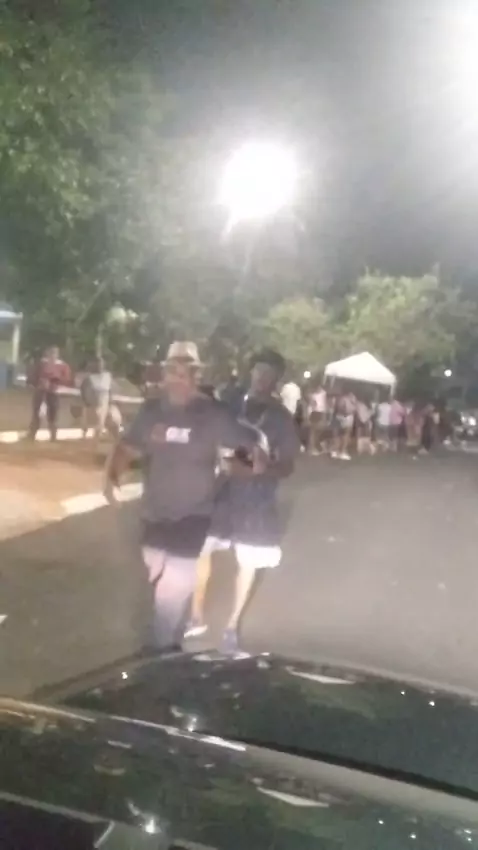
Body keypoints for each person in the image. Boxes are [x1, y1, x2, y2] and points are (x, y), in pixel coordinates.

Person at [103, 341, 263, 650]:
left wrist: (245, 466)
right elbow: (129, 447)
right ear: (164, 374)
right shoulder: (152, 411)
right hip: (154, 513)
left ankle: (160, 649)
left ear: (196, 375)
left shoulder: (213, 414)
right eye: (172, 371)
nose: (178, 378)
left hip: (193, 516)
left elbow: (249, 450)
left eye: (185, 371)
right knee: (155, 577)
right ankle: (166, 636)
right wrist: (112, 478)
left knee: (172, 590)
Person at [189, 349, 300, 652]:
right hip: (219, 490)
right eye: (258, 371)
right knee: (201, 548)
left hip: (255, 497)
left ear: (277, 380)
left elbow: (288, 465)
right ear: (251, 372)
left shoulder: (280, 418)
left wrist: (263, 469)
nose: (262, 378)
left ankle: (231, 625)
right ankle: (195, 616)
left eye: (270, 374)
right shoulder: (230, 401)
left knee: (248, 562)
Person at [27, 346, 71, 441]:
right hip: (41, 391)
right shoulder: (41, 364)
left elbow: (66, 379)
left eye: (54, 353)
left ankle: (53, 436)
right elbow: (33, 376)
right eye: (51, 352)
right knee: (37, 413)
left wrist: (53, 381)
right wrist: (37, 383)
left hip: (53, 392)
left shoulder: (62, 366)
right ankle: (32, 434)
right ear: (47, 353)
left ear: (57, 354)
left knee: (53, 415)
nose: (52, 355)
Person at [80, 357, 119, 442]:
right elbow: (83, 389)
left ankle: (100, 438)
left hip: (104, 399)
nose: (99, 366)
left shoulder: (107, 375)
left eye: (101, 364)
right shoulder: (89, 377)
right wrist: (86, 400)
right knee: (88, 420)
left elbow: (110, 389)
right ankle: (85, 437)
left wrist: (111, 399)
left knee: (108, 419)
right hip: (92, 400)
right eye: (97, 364)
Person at [308, 384, 327, 455]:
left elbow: (324, 404)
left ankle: (313, 447)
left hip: (318, 412)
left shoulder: (322, 393)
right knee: (313, 431)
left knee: (316, 431)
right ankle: (312, 448)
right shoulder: (314, 394)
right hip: (316, 412)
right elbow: (313, 404)